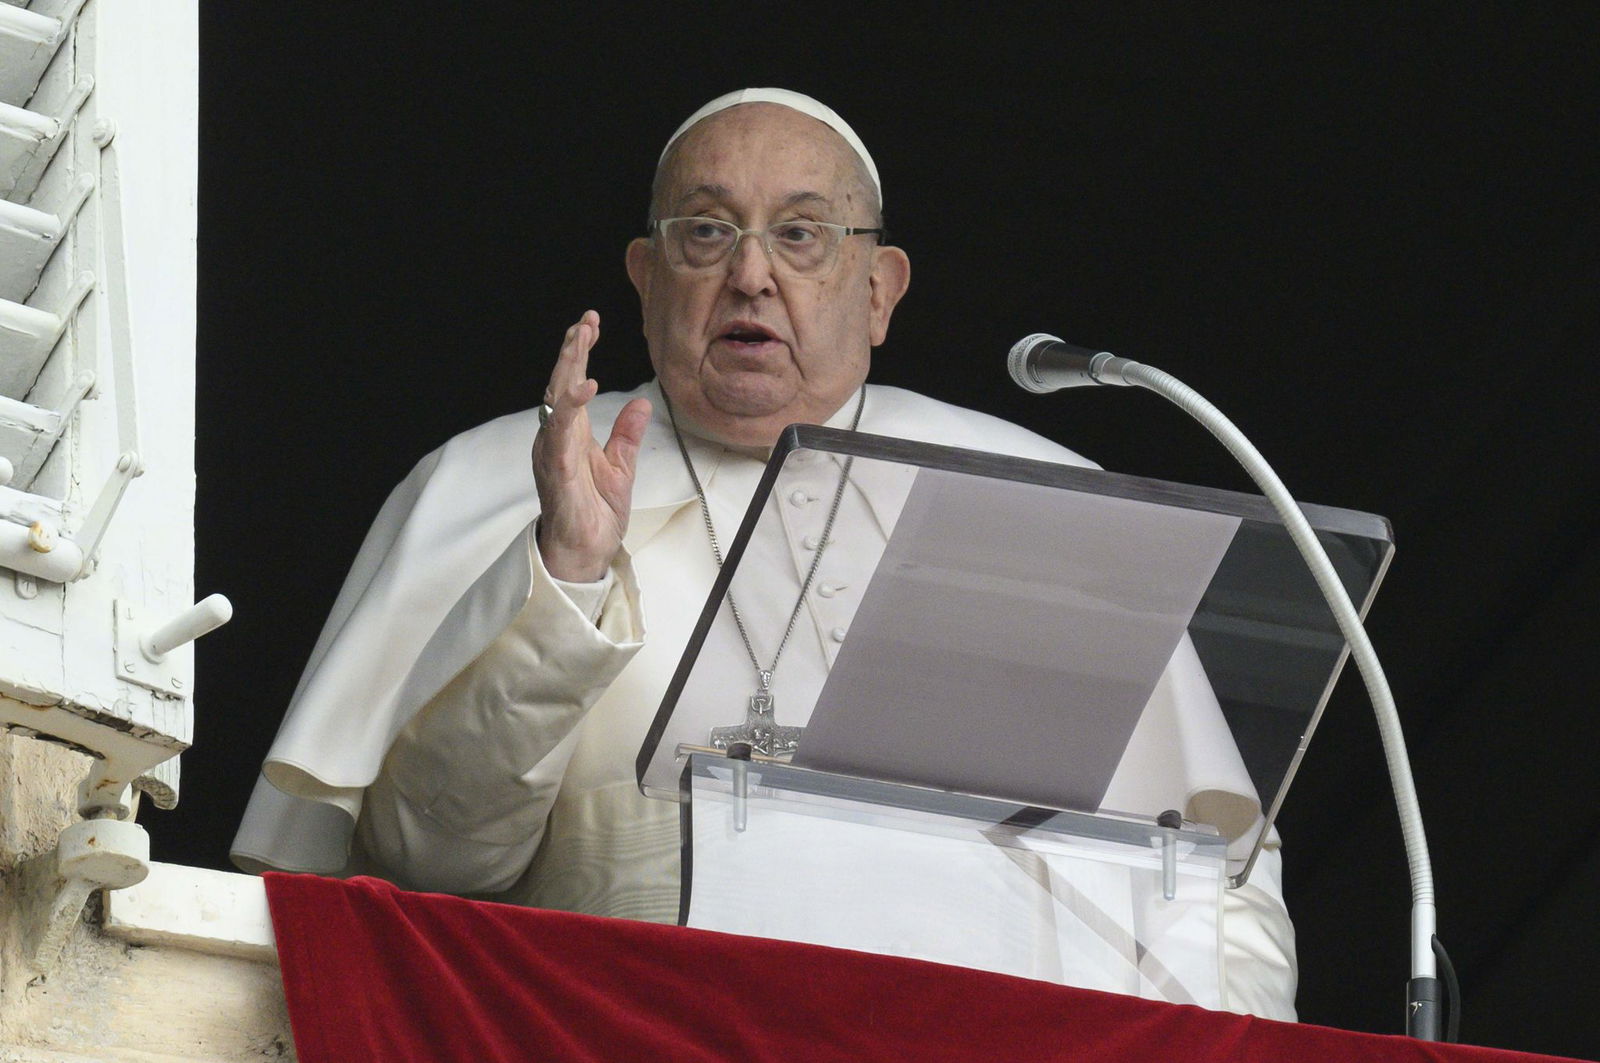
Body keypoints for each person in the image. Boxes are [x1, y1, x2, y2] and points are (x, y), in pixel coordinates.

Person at [233, 88, 1296, 1018]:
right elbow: (418, 873)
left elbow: (1214, 879)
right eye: (706, 233)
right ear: (647, 279)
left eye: (801, 236)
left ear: (878, 289)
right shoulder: (492, 479)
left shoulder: (1043, 497)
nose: (750, 274)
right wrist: (565, 576)